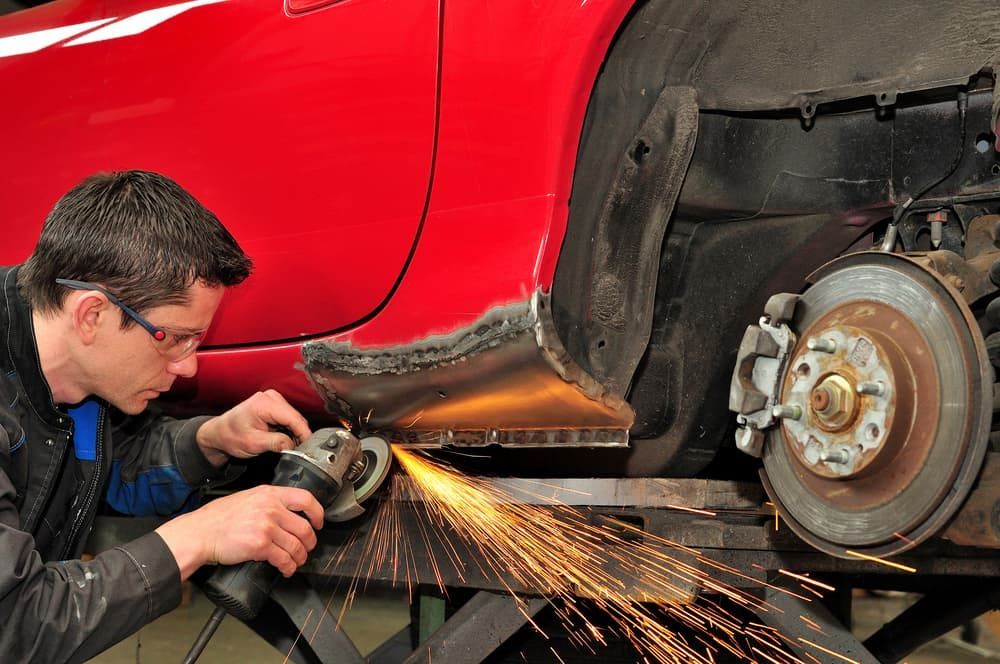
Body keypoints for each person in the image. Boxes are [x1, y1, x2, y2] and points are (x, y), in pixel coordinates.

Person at [0, 170, 326, 662]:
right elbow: (16, 622)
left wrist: (209, 440)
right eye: (173, 338)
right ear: (92, 315)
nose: (188, 366)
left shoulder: (76, 379)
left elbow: (107, 464)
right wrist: (200, 534)